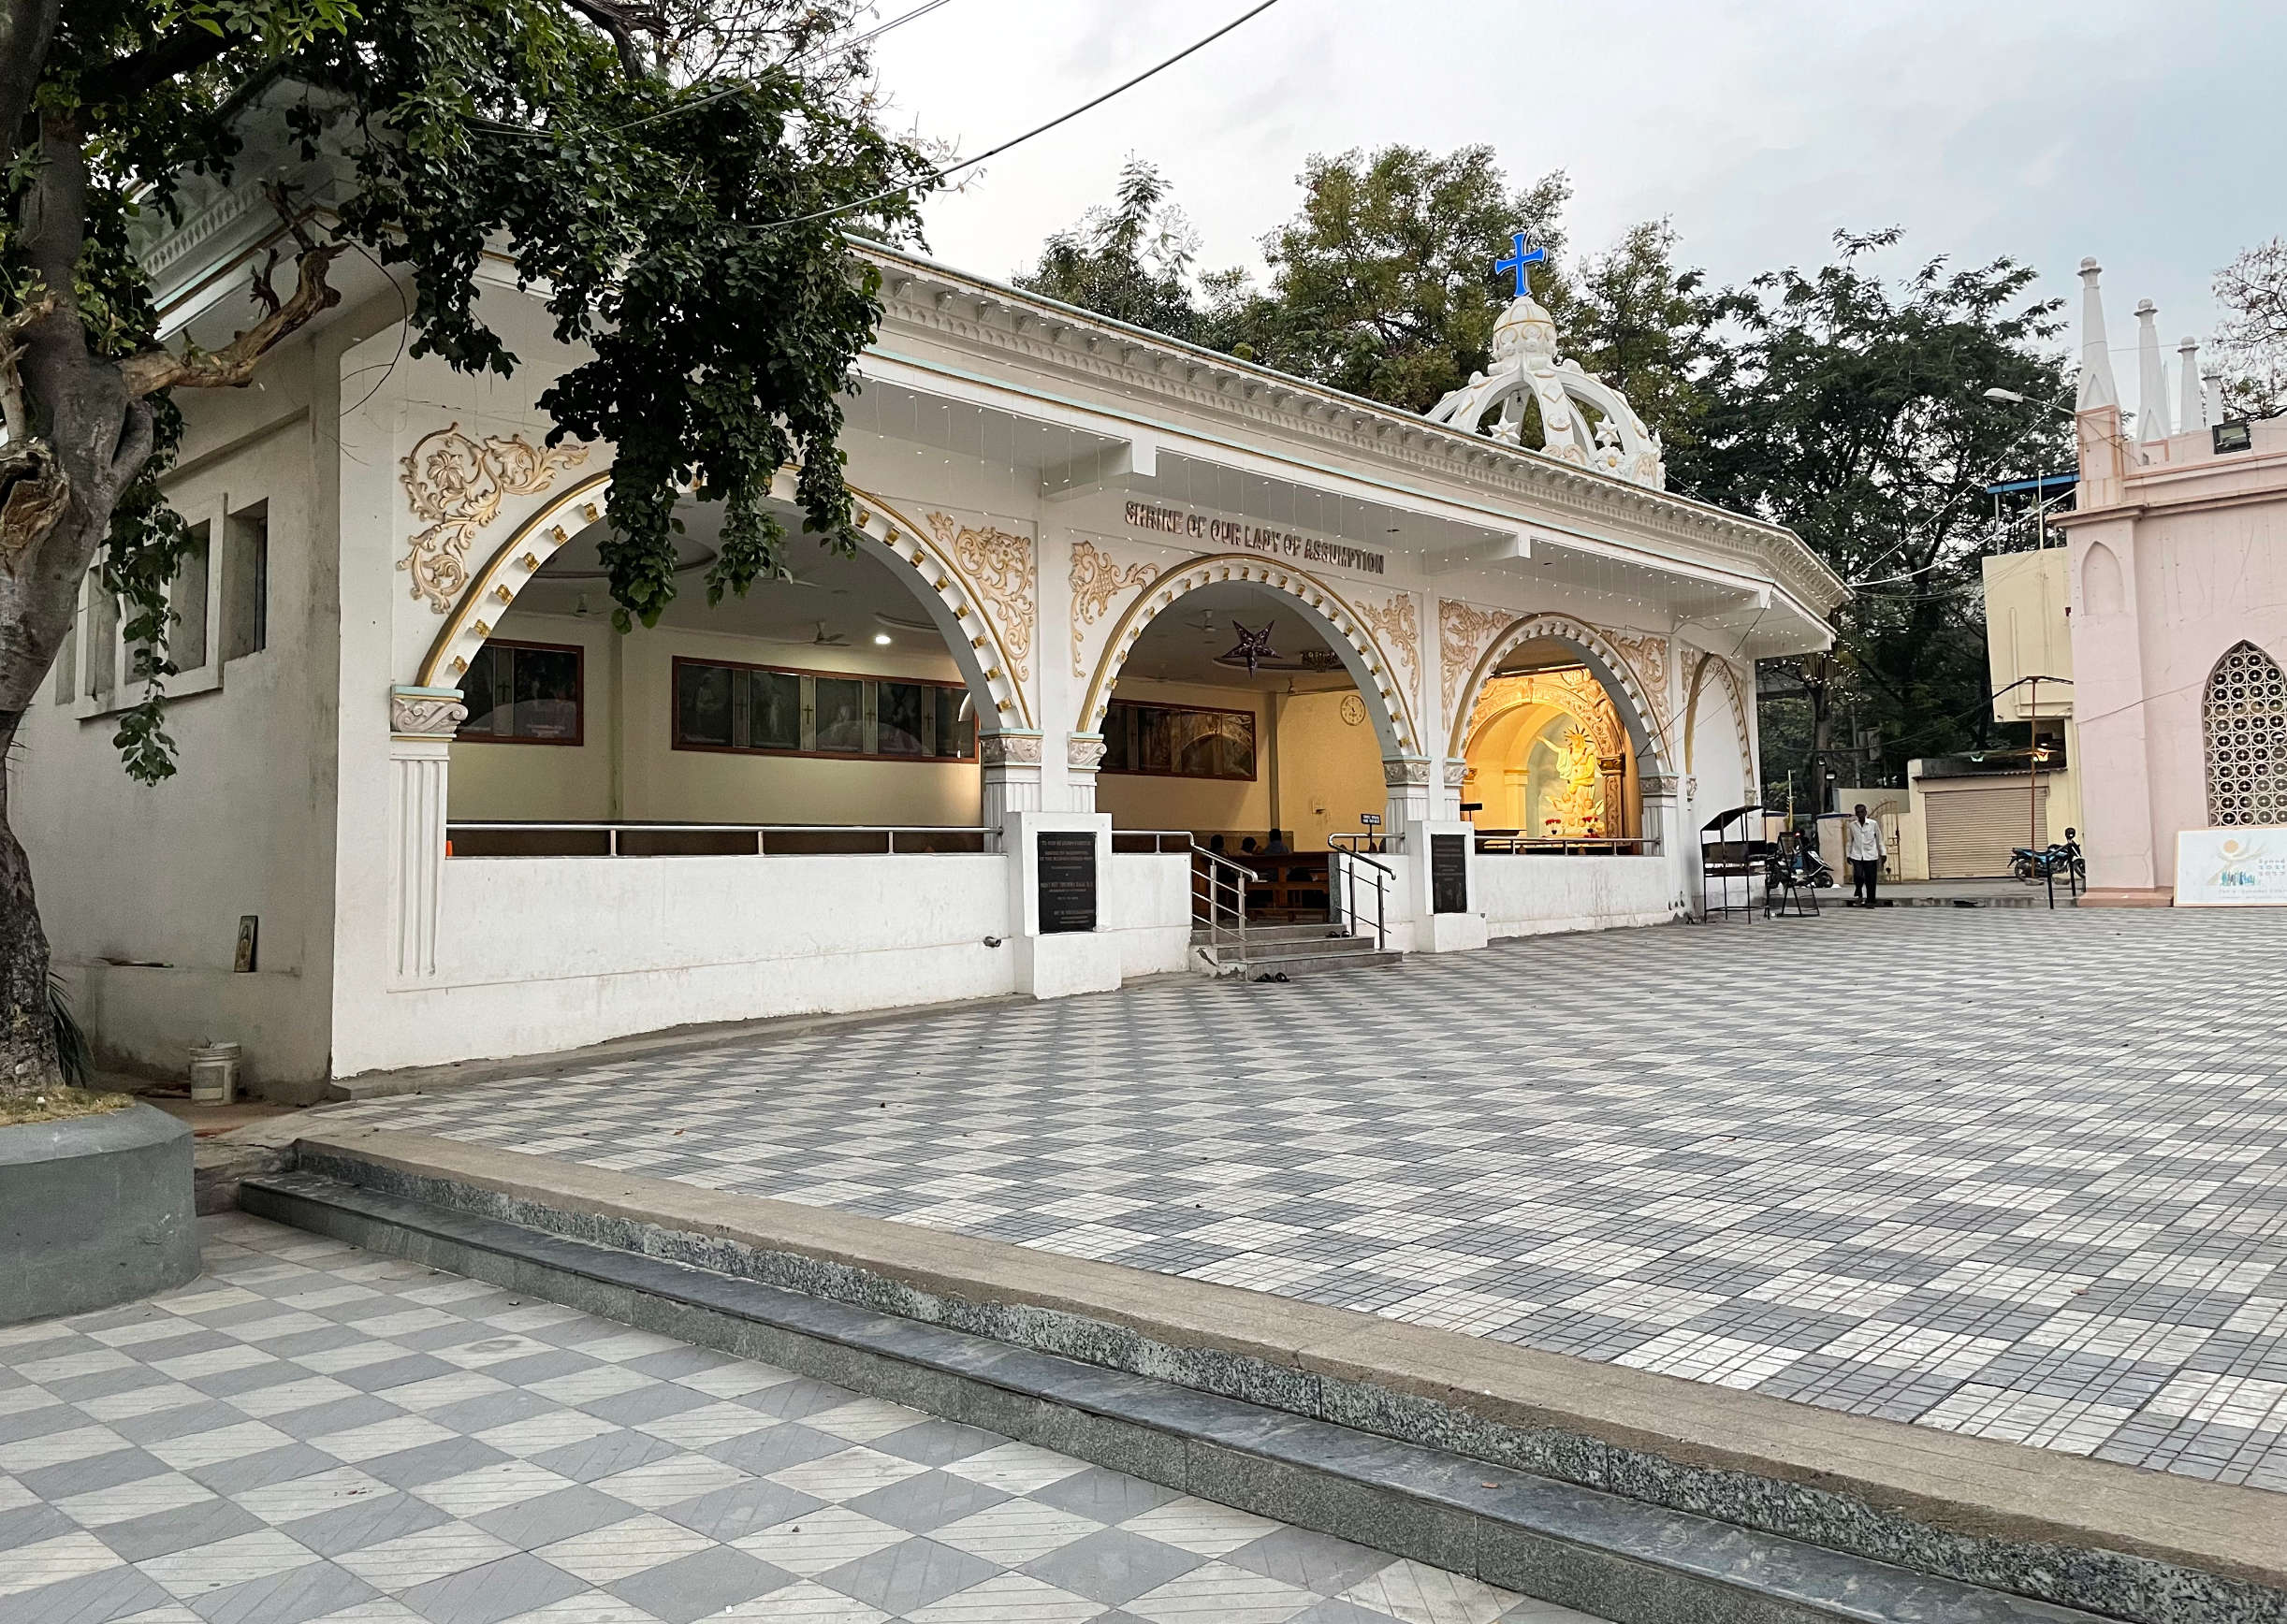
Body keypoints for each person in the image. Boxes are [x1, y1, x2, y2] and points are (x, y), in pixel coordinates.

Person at [1845, 804, 1885, 906]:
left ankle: (1871, 900)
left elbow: (1879, 839)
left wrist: (1883, 853)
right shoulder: (1852, 825)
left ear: (1866, 812)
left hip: (1871, 855)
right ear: (1856, 814)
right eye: (1858, 812)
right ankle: (1859, 890)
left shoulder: (1873, 824)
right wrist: (1848, 855)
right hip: (1857, 855)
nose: (1860, 814)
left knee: (1870, 879)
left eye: (1862, 812)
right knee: (1858, 875)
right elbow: (1849, 841)